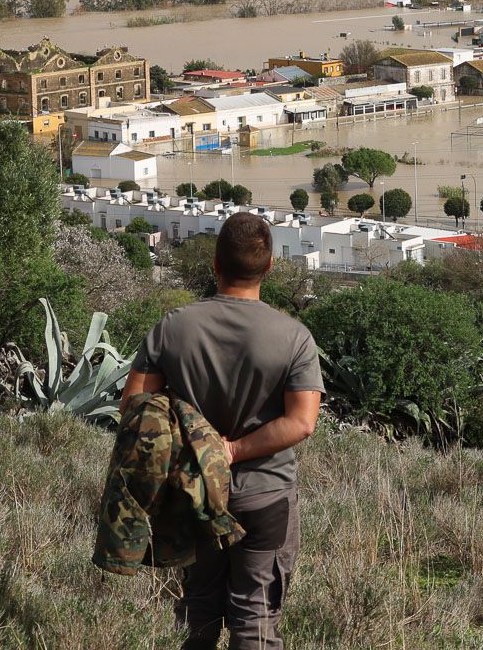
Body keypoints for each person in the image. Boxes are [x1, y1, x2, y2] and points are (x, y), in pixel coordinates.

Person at [121, 211, 325, 650]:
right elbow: (302, 422)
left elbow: (134, 410)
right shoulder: (294, 337)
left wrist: (203, 448)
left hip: (196, 494)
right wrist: (234, 450)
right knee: (255, 617)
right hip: (267, 495)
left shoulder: (172, 328)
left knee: (199, 611)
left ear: (215, 263)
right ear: (269, 266)